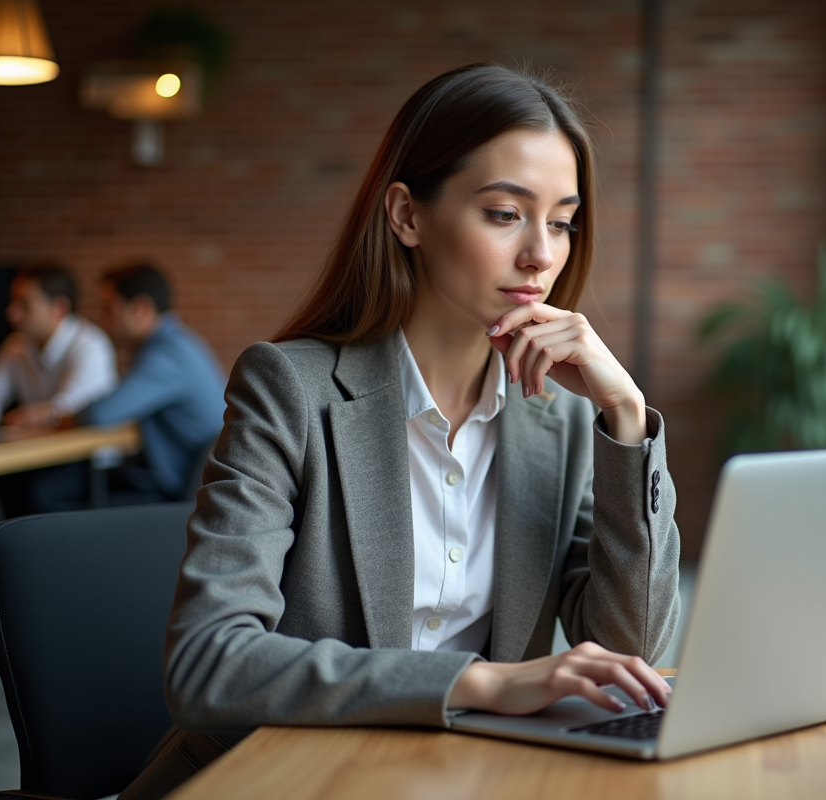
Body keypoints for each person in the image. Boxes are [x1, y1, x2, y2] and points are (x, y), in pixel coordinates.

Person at [121, 63, 681, 799]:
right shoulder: (290, 390)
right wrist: (479, 683)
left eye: (563, 221)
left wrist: (627, 421)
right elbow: (209, 664)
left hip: (460, 778)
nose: (542, 255)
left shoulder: (563, 420)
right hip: (282, 782)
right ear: (408, 216)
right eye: (505, 213)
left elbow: (631, 648)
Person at [74, 263, 226, 501]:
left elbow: (100, 414)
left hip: (181, 492)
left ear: (140, 308)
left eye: (108, 310)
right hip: (184, 480)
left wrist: (55, 417)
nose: (101, 320)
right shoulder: (176, 343)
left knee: (61, 498)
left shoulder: (167, 355)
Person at [0, 262, 117, 516]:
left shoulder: (90, 345)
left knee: (32, 493)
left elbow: (69, 415)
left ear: (58, 308)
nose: (12, 313)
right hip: (38, 456)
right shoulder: (15, 345)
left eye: (24, 305)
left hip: (90, 462)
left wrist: (37, 416)